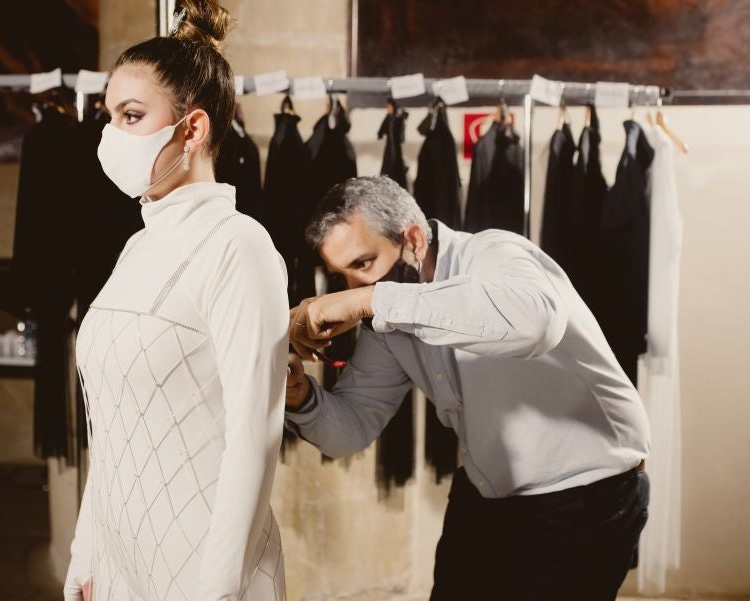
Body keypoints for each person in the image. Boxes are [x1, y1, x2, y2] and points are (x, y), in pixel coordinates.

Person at [286, 175, 651, 601]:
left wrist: (371, 299)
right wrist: (301, 397)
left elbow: (535, 323)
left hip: (588, 489)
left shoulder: (494, 252)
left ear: (415, 239)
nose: (352, 289)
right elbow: (353, 427)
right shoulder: (388, 321)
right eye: (342, 275)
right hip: (487, 489)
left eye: (363, 264)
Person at [64, 2, 288, 600]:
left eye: (132, 116)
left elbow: (255, 437)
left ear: (192, 128)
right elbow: (111, 435)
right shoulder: (136, 248)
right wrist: (86, 557)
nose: (112, 136)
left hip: (204, 569)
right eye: (109, 117)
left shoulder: (240, 248)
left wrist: (214, 590)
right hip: (119, 561)